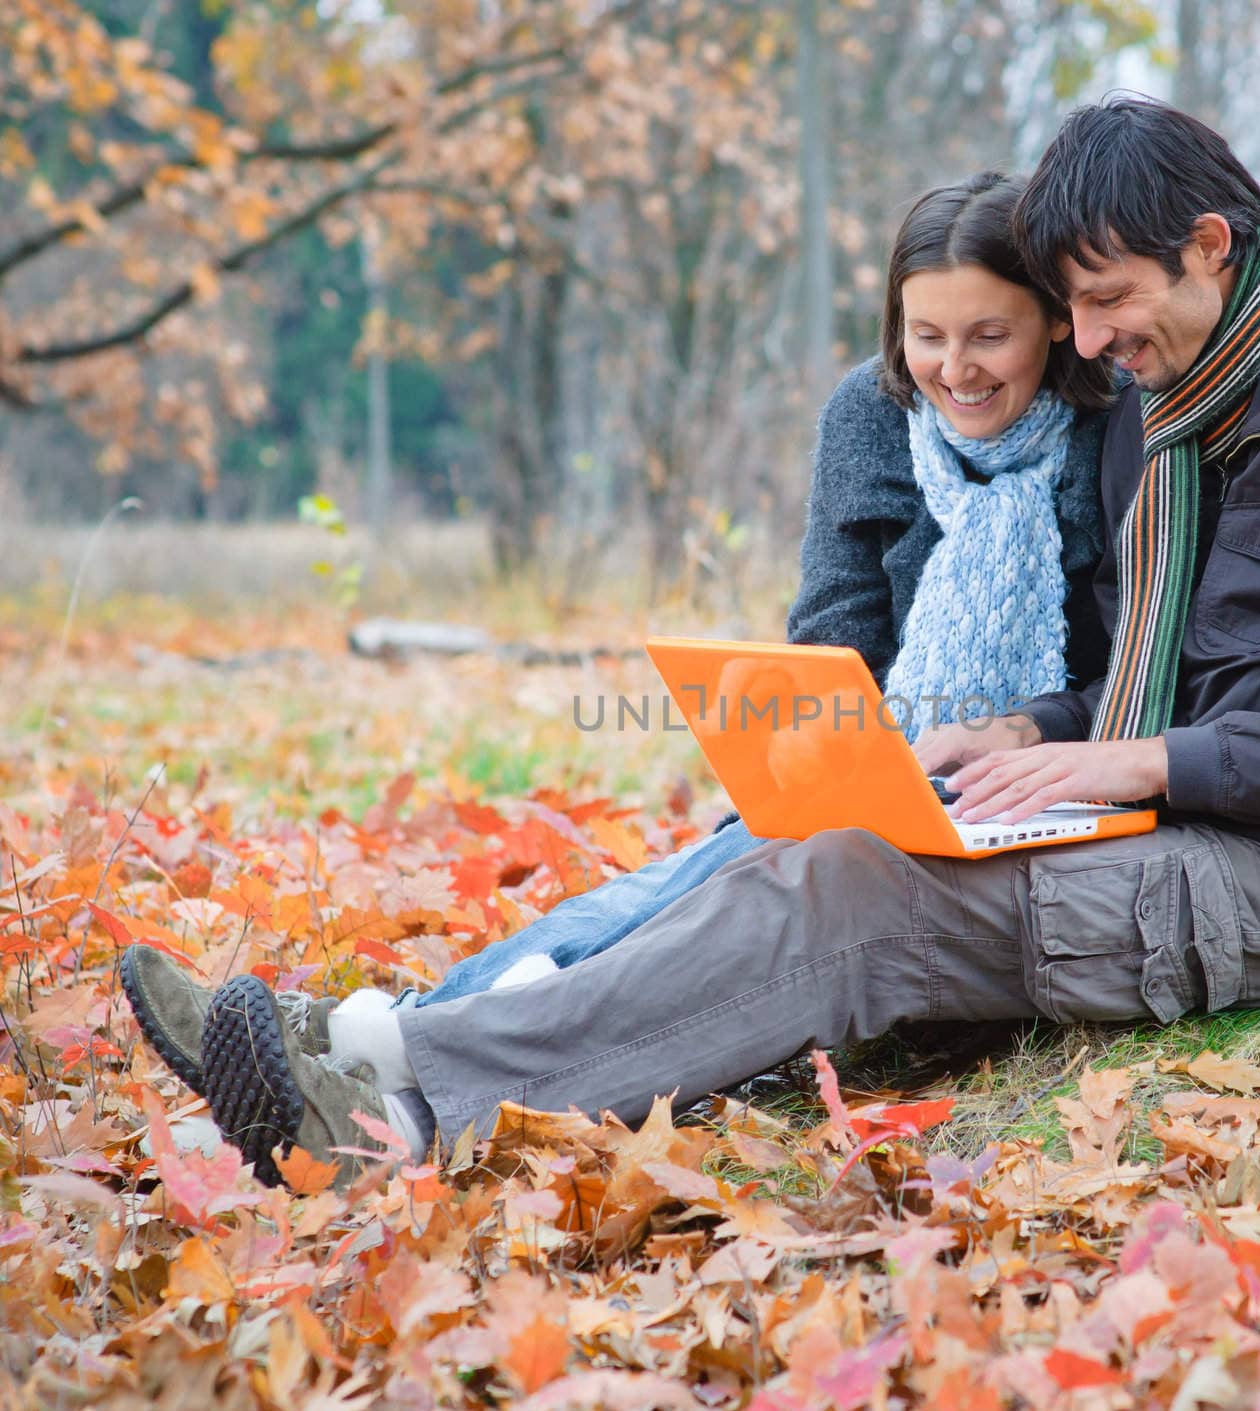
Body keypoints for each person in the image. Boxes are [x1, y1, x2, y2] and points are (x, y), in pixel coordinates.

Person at [143, 98, 1260, 1189]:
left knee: (858, 897)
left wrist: (1132, 764)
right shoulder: (1166, 417)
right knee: (815, 840)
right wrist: (1036, 733)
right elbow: (1128, 676)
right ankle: (385, 1053)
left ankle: (400, 1099)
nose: (1092, 343)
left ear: (1212, 244)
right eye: (1079, 309)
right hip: (1157, 818)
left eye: (1106, 302)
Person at [122, 171, 1114, 1151]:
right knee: (691, 875)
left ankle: (362, 1041)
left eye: (990, 335)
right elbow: (832, 633)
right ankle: (351, 1053)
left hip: (1027, 792)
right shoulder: (871, 411)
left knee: (714, 875)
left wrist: (1017, 727)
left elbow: (1131, 665)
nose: (955, 368)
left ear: (1055, 323)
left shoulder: (1113, 434)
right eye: (926, 336)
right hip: (884, 765)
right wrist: (824, 748)